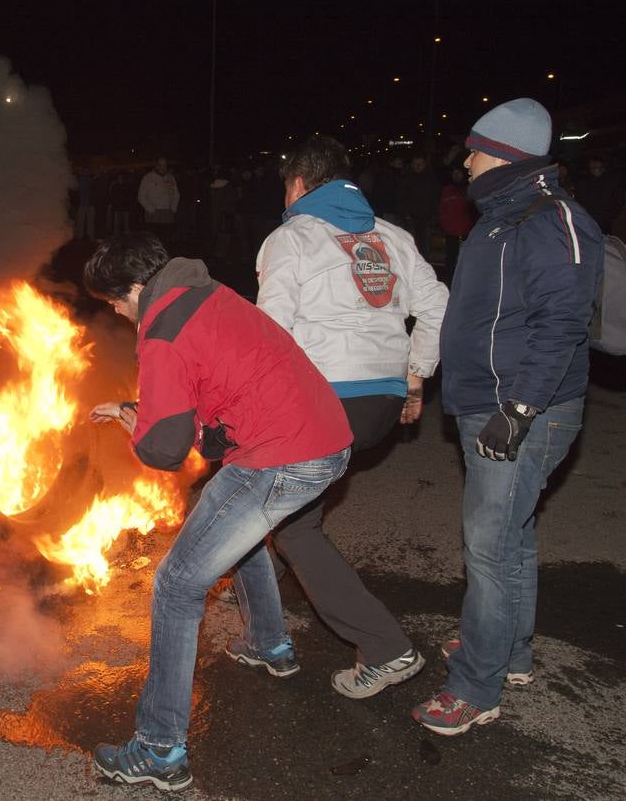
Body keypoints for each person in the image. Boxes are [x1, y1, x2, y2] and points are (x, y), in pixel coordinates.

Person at [84, 232, 353, 791]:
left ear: (136, 288)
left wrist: (133, 427)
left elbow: (164, 448)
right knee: (235, 527)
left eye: (113, 299)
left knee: (177, 584)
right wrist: (138, 410)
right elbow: (206, 387)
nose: (112, 309)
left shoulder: (161, 329)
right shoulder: (206, 293)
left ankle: (159, 748)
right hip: (325, 438)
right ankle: (269, 643)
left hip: (281, 455)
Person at [412, 98, 602, 736]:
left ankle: (475, 689)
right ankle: (508, 654)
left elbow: (562, 324)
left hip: (519, 411)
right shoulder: (501, 216)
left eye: (474, 149)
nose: (465, 161)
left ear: (506, 154)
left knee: (488, 549)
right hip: (485, 404)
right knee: (510, 539)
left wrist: (518, 410)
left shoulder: (549, 221)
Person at [254, 136, 446, 699]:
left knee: (291, 523)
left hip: (323, 400)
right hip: (381, 403)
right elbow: (438, 308)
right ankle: (261, 625)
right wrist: (415, 377)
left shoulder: (291, 239)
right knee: (283, 502)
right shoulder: (393, 236)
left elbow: (272, 333)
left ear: (297, 184)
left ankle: (387, 648)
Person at [396, 154, 441, 254]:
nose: (417, 166)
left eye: (419, 164)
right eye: (415, 164)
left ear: (424, 165)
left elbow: (435, 198)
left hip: (426, 217)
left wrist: (434, 215)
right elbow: (401, 198)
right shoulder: (406, 178)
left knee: (425, 246)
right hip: (410, 218)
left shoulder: (431, 179)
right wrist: (405, 214)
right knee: (411, 246)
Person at [571, 155, 625, 234]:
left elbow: (618, 200)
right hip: (588, 220)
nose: (594, 169)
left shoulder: (611, 182)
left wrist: (611, 215)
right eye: (592, 167)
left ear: (603, 167)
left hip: (605, 220)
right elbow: (579, 200)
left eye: (597, 166)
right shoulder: (584, 183)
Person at [439, 166, 474, 279]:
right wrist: (444, 225)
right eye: (454, 173)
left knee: (466, 258)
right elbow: (442, 209)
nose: (456, 175)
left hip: (467, 231)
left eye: (458, 173)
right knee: (451, 258)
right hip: (451, 231)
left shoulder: (469, 189)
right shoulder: (447, 190)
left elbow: (474, 211)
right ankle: (449, 280)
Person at [138, 157, 180, 238]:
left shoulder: (171, 178)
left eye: (164, 165)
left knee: (167, 239)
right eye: (160, 165)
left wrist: (173, 208)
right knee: (154, 240)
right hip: (153, 215)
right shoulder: (148, 177)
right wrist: (150, 209)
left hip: (167, 214)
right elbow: (141, 196)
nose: (163, 168)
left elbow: (176, 194)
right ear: (156, 165)